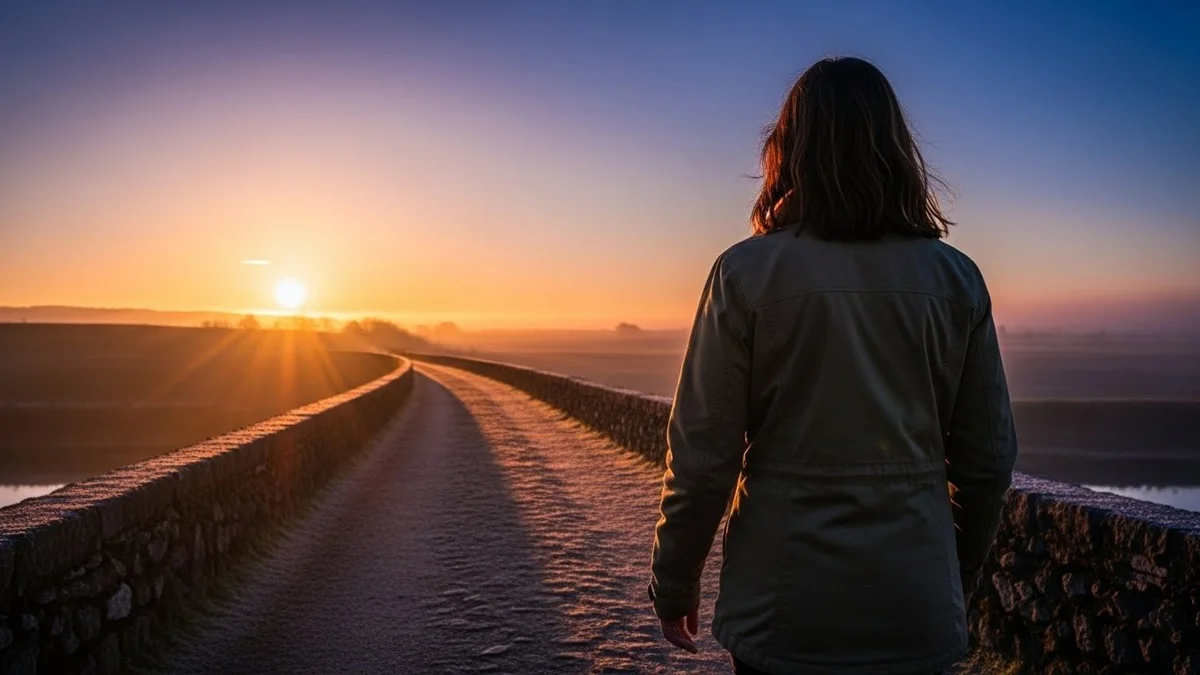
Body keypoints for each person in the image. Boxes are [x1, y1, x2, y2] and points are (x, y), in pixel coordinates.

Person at [648, 56, 1018, 675]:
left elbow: (704, 456)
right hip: (914, 607)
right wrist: (954, 578)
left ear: (787, 149)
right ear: (897, 147)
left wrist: (674, 584)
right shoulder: (958, 280)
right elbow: (988, 460)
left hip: (782, 610)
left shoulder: (744, 273)